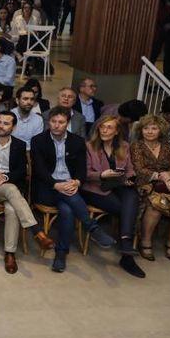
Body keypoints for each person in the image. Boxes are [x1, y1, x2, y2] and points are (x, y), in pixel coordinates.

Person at [30, 107, 117, 272]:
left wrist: (76, 182)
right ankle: (92, 227)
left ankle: (61, 254)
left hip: (70, 186)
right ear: (49, 122)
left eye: (61, 122)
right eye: (53, 122)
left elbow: (81, 170)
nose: (56, 125)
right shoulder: (38, 140)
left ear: (67, 123)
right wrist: (57, 185)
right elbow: (39, 170)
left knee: (68, 211)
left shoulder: (77, 141)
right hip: (47, 187)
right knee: (70, 201)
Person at [0, 111, 54, 273]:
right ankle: (37, 231)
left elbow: (21, 171)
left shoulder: (19, 145)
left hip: (8, 186)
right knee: (13, 191)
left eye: (6, 123)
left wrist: (5, 178)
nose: (1, 126)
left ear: (13, 127)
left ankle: (10, 253)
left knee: (12, 208)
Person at [81, 115, 144, 277]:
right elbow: (85, 173)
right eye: (102, 127)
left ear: (116, 131)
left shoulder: (124, 146)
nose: (104, 130)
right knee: (128, 208)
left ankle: (125, 245)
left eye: (109, 127)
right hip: (95, 188)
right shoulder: (89, 146)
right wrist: (102, 174)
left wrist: (130, 178)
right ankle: (127, 252)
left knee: (131, 194)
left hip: (118, 185)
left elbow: (129, 169)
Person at [131, 114, 170, 262]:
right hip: (144, 184)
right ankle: (145, 242)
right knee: (155, 206)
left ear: (161, 130)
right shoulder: (136, 146)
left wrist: (168, 175)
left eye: (154, 128)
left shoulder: (167, 147)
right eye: (146, 128)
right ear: (141, 130)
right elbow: (139, 170)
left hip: (166, 185)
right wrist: (160, 176)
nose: (149, 131)